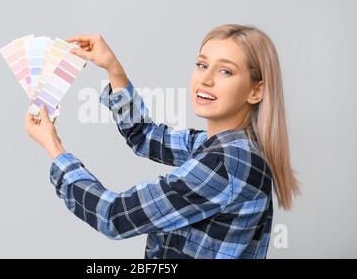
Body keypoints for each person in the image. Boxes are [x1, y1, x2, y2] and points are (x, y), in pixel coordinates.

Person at [25, 24, 300, 259]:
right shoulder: (223, 147)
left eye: (225, 71)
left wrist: (54, 148)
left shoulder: (224, 164)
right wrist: (113, 69)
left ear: (256, 90)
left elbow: (115, 216)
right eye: (202, 65)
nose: (206, 79)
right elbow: (145, 137)